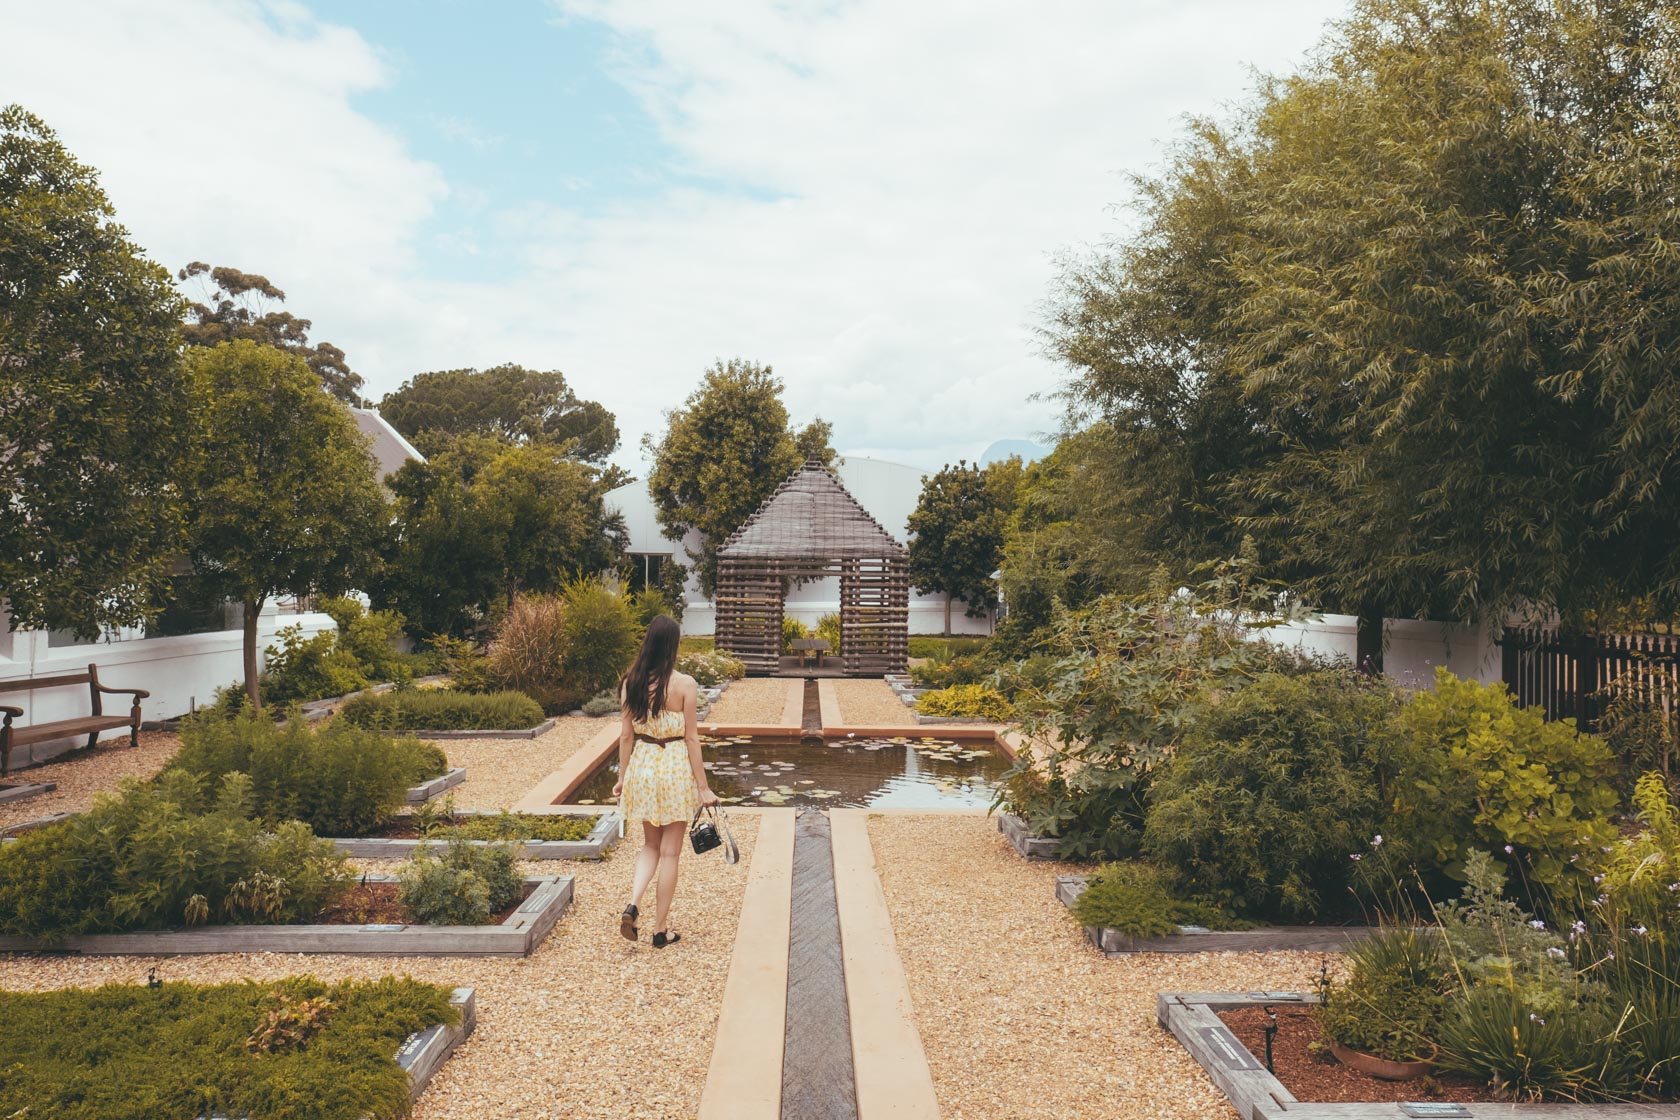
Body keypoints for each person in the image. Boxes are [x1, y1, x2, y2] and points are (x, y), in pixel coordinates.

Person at [615, 614, 718, 947]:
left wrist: (622, 778)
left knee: (649, 845)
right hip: (673, 768)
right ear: (673, 645)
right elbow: (691, 739)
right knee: (670, 853)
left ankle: (633, 903)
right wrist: (703, 787)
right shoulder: (685, 685)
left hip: (643, 768)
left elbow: (626, 737)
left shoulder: (630, 682)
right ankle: (660, 931)